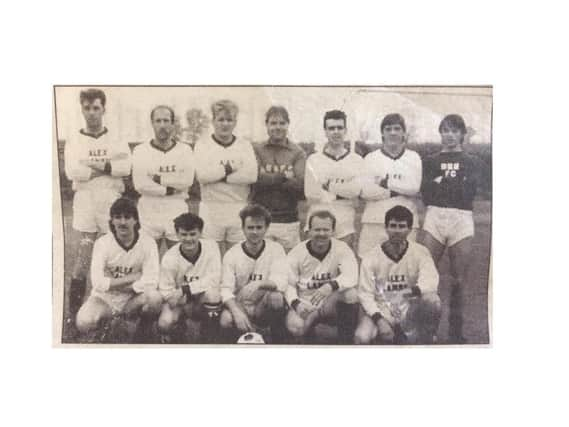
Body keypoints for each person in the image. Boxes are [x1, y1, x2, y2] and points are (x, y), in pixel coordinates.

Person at [64, 88, 132, 328]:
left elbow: (126, 168)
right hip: (85, 202)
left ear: (104, 109)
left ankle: (111, 311)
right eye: (87, 108)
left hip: (110, 201)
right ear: (82, 109)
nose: (91, 113)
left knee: (111, 258)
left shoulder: (116, 137)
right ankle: (74, 315)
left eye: (96, 108)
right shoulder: (75, 140)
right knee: (83, 258)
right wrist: (107, 166)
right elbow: (73, 171)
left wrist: (93, 166)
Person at [420, 114, 478, 344]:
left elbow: (469, 192)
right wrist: (451, 184)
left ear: (462, 134)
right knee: (427, 275)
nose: (450, 134)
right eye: (445, 130)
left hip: (461, 219)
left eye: (454, 130)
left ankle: (456, 333)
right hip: (435, 216)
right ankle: (427, 329)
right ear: (440, 133)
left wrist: (441, 183)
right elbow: (427, 195)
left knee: (459, 280)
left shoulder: (471, 161)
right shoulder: (430, 160)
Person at [75, 198, 162, 343]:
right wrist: (133, 278)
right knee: (84, 322)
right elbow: (97, 283)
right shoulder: (102, 243)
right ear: (112, 221)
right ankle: (106, 325)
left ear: (136, 220)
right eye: (118, 217)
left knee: (154, 298)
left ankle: (142, 332)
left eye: (127, 217)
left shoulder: (148, 242)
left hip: (132, 300)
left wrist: (113, 282)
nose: (122, 222)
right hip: (105, 299)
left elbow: (151, 281)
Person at [355, 205, 441, 345]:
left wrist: (406, 292)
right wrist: (380, 320)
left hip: (409, 308)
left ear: (409, 229)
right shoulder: (371, 256)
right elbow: (365, 294)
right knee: (361, 337)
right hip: (382, 308)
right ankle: (390, 333)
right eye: (393, 226)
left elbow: (431, 281)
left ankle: (426, 336)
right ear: (386, 227)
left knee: (432, 300)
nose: (396, 231)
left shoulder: (420, 252)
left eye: (401, 226)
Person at [194, 100, 258, 255]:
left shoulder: (244, 145)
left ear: (235, 122)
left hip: (238, 207)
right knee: (211, 260)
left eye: (229, 120)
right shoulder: (202, 144)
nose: (225, 124)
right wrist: (231, 168)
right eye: (221, 119)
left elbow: (251, 175)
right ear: (213, 121)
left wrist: (218, 175)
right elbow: (202, 176)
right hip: (211, 209)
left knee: (237, 260)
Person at [285, 210, 359, 344]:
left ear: (333, 231)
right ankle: (310, 336)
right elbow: (288, 284)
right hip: (305, 301)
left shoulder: (341, 248)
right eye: (317, 230)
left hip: (329, 301)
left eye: (326, 230)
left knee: (351, 294)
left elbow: (352, 274)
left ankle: (345, 342)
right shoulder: (297, 252)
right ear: (309, 230)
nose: (322, 234)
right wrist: (296, 304)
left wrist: (331, 285)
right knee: (296, 328)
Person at [219, 204, 288, 343]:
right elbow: (225, 289)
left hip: (262, 304)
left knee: (277, 297)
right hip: (241, 303)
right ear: (243, 229)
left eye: (259, 227)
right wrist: (237, 312)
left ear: (266, 228)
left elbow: (281, 282)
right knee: (226, 320)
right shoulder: (232, 254)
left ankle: (278, 342)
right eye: (250, 227)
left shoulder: (276, 249)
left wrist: (258, 284)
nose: (254, 232)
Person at [132, 105, 195, 249]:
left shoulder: (184, 150)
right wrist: (170, 189)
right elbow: (140, 184)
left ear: (173, 124)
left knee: (178, 263)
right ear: (152, 123)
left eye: (166, 121)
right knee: (149, 262)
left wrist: (158, 179)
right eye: (158, 121)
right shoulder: (141, 150)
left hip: (176, 209)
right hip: (149, 211)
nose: (162, 125)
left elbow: (186, 181)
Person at [359, 113, 422, 257]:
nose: (392, 132)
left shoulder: (413, 157)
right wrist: (396, 191)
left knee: (403, 270)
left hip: (406, 223)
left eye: (397, 128)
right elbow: (365, 191)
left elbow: (413, 188)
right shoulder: (370, 158)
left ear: (404, 133)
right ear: (382, 133)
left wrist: (384, 183)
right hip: (374, 220)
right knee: (369, 268)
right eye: (388, 129)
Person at [157, 213, 222, 343]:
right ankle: (178, 332)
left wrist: (184, 290)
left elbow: (215, 278)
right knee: (165, 323)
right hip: (179, 303)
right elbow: (165, 290)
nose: (188, 239)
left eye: (192, 234)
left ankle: (209, 336)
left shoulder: (211, 247)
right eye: (184, 234)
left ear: (200, 233)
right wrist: (182, 300)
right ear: (177, 235)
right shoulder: (170, 257)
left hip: (200, 299)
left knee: (213, 295)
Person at [304, 110, 364, 249]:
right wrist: (343, 190)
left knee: (342, 267)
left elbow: (356, 191)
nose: (336, 132)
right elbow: (311, 194)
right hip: (317, 223)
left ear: (345, 130)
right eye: (331, 128)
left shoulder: (356, 160)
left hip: (345, 223)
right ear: (325, 131)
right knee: (315, 267)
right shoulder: (314, 160)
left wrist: (328, 186)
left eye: (339, 127)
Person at [250, 106, 306, 251]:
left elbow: (300, 186)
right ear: (267, 125)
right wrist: (284, 176)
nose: (277, 127)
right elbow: (255, 180)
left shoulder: (297, 152)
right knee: (261, 267)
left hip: (289, 220)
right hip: (260, 220)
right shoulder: (257, 149)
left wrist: (268, 177)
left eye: (282, 123)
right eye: (273, 123)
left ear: (288, 124)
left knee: (288, 268)